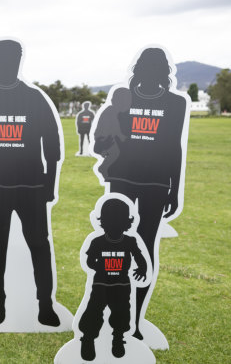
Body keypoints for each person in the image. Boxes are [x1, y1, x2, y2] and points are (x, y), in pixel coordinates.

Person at [0, 39, 62, 327]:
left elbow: (52, 145)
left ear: (19, 61)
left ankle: (46, 305)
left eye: (12, 59)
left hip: (31, 188)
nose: (6, 65)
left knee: (40, 247)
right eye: (1, 60)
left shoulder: (35, 99)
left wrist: (50, 184)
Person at [92, 47, 188, 340]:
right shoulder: (122, 97)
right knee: (115, 242)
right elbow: (104, 135)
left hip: (156, 183)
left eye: (155, 68)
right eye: (144, 67)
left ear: (163, 72)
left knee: (146, 247)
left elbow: (174, 146)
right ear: (138, 69)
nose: (149, 72)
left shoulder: (175, 103)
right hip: (121, 178)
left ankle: (134, 322)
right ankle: (112, 317)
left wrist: (173, 187)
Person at [79, 198, 148, 361]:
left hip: (122, 287)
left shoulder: (130, 242)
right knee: (93, 312)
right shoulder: (97, 242)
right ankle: (87, 339)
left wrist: (143, 268)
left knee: (122, 314)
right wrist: (97, 267)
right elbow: (89, 261)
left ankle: (118, 338)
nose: (115, 226)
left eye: (119, 222)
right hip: (100, 286)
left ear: (126, 223)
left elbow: (139, 257)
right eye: (111, 221)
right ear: (103, 222)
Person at [94, 88, 131, 178]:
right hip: (104, 138)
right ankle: (103, 167)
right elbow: (115, 127)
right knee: (115, 152)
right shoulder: (111, 111)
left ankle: (105, 165)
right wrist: (121, 136)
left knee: (115, 152)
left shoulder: (113, 111)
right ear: (113, 101)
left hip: (106, 137)